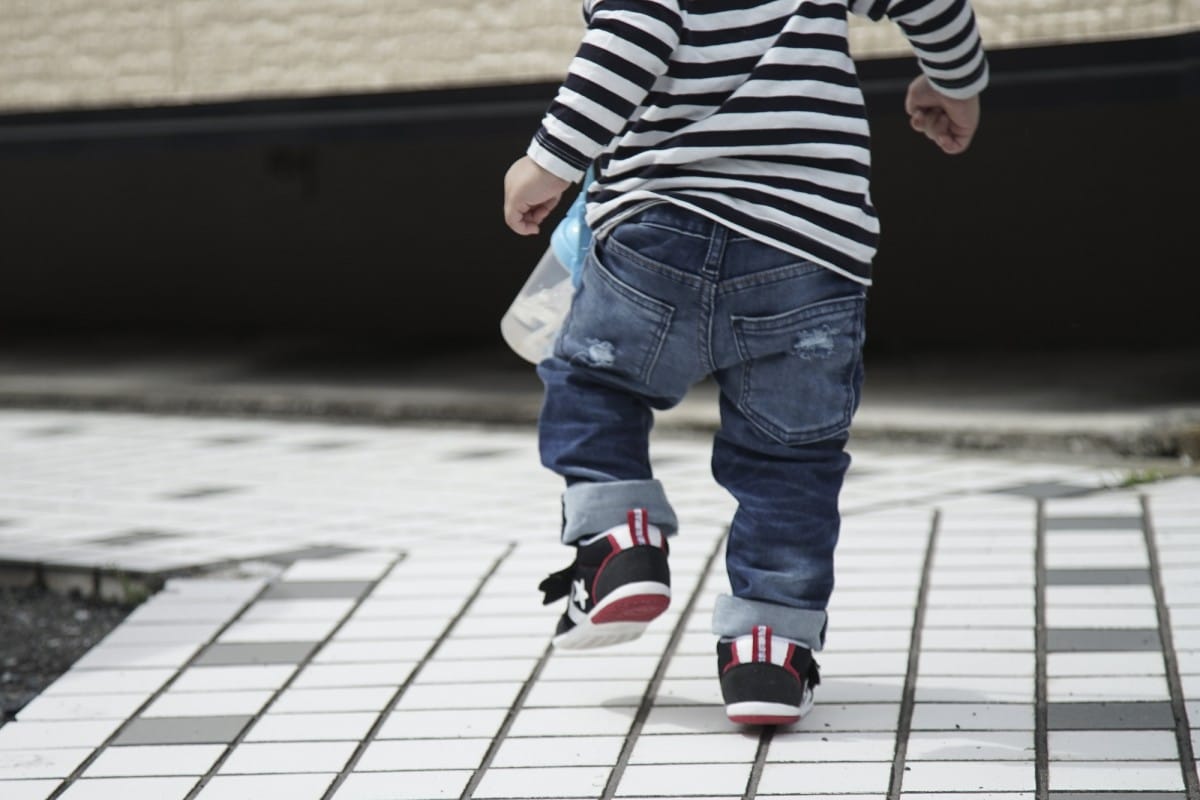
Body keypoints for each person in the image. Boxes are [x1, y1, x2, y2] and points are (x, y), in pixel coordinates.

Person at [503, 0, 987, 726]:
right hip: (812, 256)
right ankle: (770, 651)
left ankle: (619, 539)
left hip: (660, 235)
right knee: (791, 462)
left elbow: (633, 30)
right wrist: (956, 82)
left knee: (594, 380)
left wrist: (547, 163)